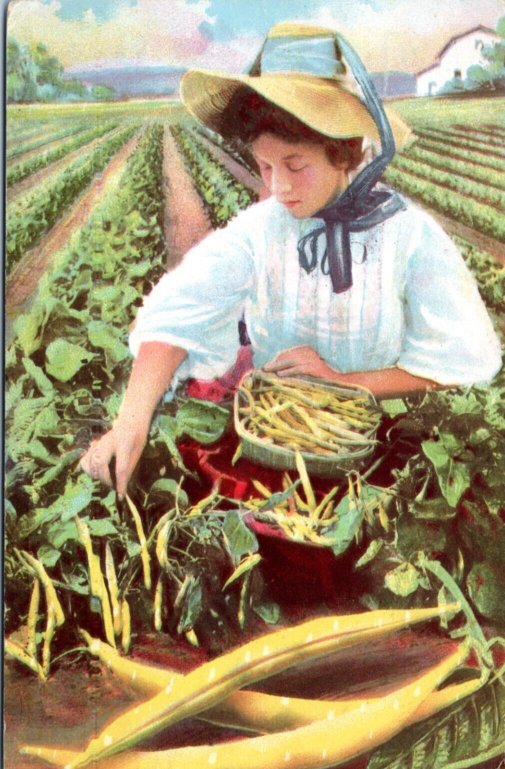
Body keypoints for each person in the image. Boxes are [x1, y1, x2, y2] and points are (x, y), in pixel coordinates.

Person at [80, 21, 502, 497]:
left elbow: (457, 363)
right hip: (274, 446)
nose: (277, 187)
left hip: (375, 455)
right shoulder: (262, 229)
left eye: (296, 165)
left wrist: (345, 382)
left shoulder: (409, 235)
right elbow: (177, 311)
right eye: (264, 166)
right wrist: (130, 423)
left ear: (342, 152)